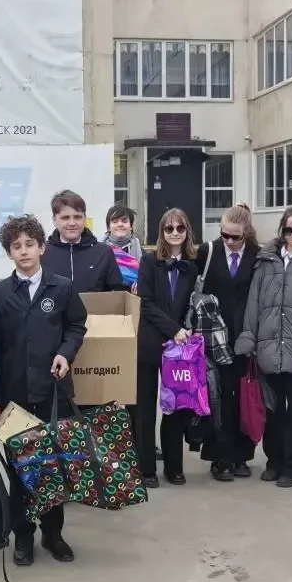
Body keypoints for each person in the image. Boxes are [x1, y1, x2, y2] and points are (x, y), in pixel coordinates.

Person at [0, 214, 88, 566]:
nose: (24, 251)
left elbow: (77, 325)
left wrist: (65, 353)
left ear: (42, 247)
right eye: (16, 246)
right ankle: (23, 535)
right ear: (9, 253)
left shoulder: (62, 288)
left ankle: (53, 534)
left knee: (53, 467)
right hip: (15, 397)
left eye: (30, 244)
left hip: (53, 393)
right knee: (20, 469)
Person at [235, 206, 292, 489]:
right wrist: (249, 340)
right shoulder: (266, 262)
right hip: (268, 349)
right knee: (272, 411)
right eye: (289, 229)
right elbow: (253, 304)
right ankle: (274, 462)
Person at [194, 204, 260, 482]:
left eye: (236, 236)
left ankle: (242, 455)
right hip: (212, 338)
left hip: (244, 337)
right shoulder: (207, 252)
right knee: (217, 397)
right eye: (225, 235)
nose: (230, 241)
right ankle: (219, 457)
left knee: (242, 395)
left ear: (247, 233)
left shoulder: (257, 256)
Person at [135, 208, 199, 487]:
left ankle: (174, 467)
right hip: (151, 341)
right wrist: (172, 329)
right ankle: (146, 468)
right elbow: (145, 302)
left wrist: (187, 328)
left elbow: (192, 303)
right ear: (161, 231)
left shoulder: (192, 265)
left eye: (180, 228)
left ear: (187, 231)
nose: (174, 233)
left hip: (180, 346)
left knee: (176, 406)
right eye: (169, 228)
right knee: (145, 407)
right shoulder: (149, 261)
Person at [42, 189, 126, 292]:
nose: (72, 223)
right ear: (54, 220)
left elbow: (117, 292)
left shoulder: (104, 252)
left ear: (85, 219)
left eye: (77, 217)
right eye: (65, 218)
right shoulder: (42, 253)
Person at [102, 204, 143, 294]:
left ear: (131, 226)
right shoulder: (99, 252)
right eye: (115, 221)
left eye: (124, 221)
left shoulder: (143, 254)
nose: (120, 224)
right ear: (108, 227)